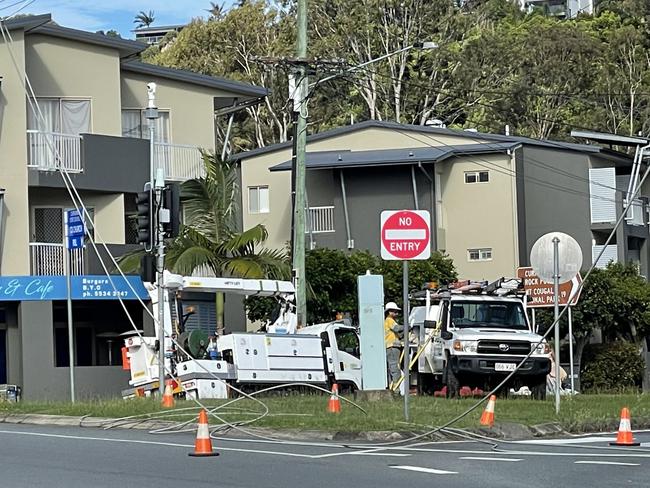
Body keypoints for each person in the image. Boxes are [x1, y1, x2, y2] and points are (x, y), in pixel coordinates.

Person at [384, 302, 404, 387]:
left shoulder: (389, 320)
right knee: (395, 368)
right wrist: (406, 326)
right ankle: (396, 389)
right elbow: (397, 328)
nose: (396, 313)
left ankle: (392, 387)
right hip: (392, 347)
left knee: (393, 367)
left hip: (392, 346)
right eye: (394, 311)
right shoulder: (389, 320)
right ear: (389, 312)